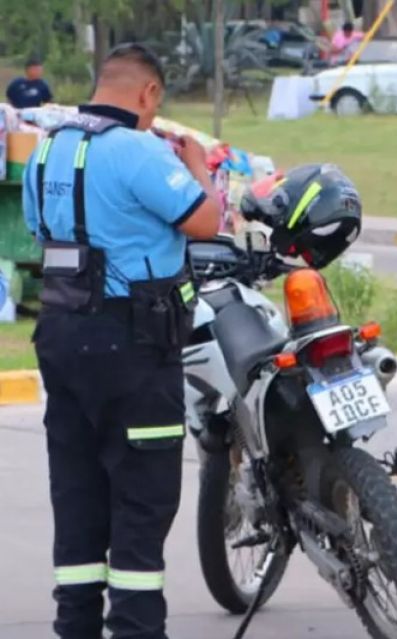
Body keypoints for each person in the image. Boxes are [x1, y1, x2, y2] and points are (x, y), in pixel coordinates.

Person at [21, 43, 221, 638]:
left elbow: (40, 228)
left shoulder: (48, 148)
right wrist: (201, 169)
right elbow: (205, 221)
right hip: (132, 343)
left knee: (78, 492)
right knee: (141, 499)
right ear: (148, 94)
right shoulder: (138, 150)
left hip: (60, 335)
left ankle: (75, 627)